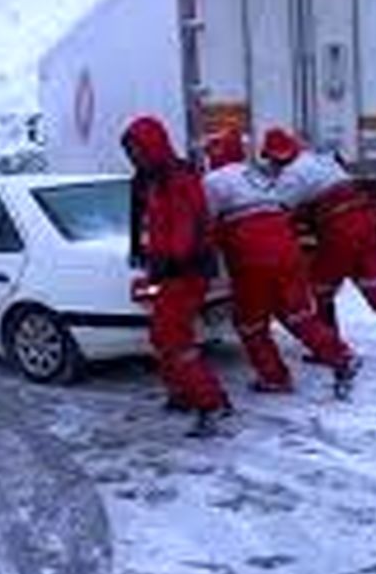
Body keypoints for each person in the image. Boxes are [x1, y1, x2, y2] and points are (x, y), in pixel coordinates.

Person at [261, 127, 376, 372]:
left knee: (322, 288)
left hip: (339, 229)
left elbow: (276, 210)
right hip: (368, 222)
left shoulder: (290, 177)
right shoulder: (317, 159)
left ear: (274, 156)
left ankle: (332, 349)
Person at [204, 129, 360, 399]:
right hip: (287, 250)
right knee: (296, 313)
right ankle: (341, 356)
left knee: (250, 322)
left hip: (251, 255)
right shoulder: (257, 176)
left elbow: (203, 223)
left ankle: (274, 377)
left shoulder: (213, 181)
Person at [121, 115, 230, 437]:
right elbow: (153, 225)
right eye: (130, 151)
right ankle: (183, 393)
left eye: (136, 149)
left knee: (173, 337)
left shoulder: (176, 177)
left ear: (151, 145)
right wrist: (145, 252)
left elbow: (186, 223)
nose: (133, 156)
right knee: (162, 335)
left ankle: (210, 403)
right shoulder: (153, 178)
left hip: (186, 269)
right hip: (172, 269)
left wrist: (171, 260)